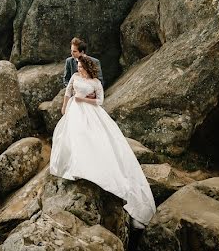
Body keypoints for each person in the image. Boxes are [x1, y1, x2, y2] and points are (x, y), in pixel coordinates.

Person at [49, 55, 155, 227]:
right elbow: (68, 91)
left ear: (87, 67)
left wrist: (83, 99)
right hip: (74, 111)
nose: (78, 68)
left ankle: (86, 168)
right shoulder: (75, 77)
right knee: (72, 136)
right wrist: (64, 106)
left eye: (81, 66)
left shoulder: (96, 83)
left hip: (91, 111)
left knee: (93, 139)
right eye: (77, 65)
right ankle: (73, 166)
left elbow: (100, 101)